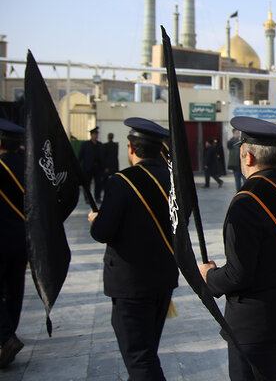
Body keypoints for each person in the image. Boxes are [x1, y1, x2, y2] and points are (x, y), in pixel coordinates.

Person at [198, 117, 276, 380]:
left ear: (247, 158)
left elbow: (238, 274)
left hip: (257, 322)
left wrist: (208, 276)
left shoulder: (247, 201)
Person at [89, 118, 178, 380]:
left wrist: (96, 220)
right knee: (146, 350)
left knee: (139, 357)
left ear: (130, 147)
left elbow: (103, 232)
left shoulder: (121, 182)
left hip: (131, 284)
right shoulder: (174, 182)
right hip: (163, 278)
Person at [0, 119, 26, 369]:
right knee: (15, 288)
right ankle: (10, 332)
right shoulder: (29, 166)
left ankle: (6, 336)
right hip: (22, 238)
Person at [78, 126, 105, 202]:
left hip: (98, 168)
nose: (96, 136)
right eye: (94, 134)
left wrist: (105, 166)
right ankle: (88, 198)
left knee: (98, 183)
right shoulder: (85, 145)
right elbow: (80, 156)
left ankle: (97, 197)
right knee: (87, 184)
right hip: (88, 167)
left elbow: (103, 157)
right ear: (91, 135)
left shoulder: (100, 145)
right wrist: (78, 166)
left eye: (97, 134)